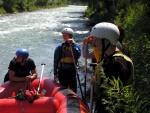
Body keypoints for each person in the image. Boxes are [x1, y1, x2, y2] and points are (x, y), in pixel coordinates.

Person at [82, 22, 134, 113]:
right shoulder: (108, 58)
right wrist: (96, 80)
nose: (94, 44)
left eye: (96, 40)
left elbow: (116, 96)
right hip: (103, 106)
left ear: (106, 41)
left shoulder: (117, 63)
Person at [53, 28, 81, 93]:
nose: (64, 36)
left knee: (73, 89)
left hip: (72, 70)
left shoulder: (76, 46)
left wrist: (72, 45)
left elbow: (77, 55)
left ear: (70, 36)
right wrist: (55, 73)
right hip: (62, 71)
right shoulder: (60, 47)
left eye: (66, 35)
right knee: (64, 90)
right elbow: (56, 60)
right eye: (63, 35)